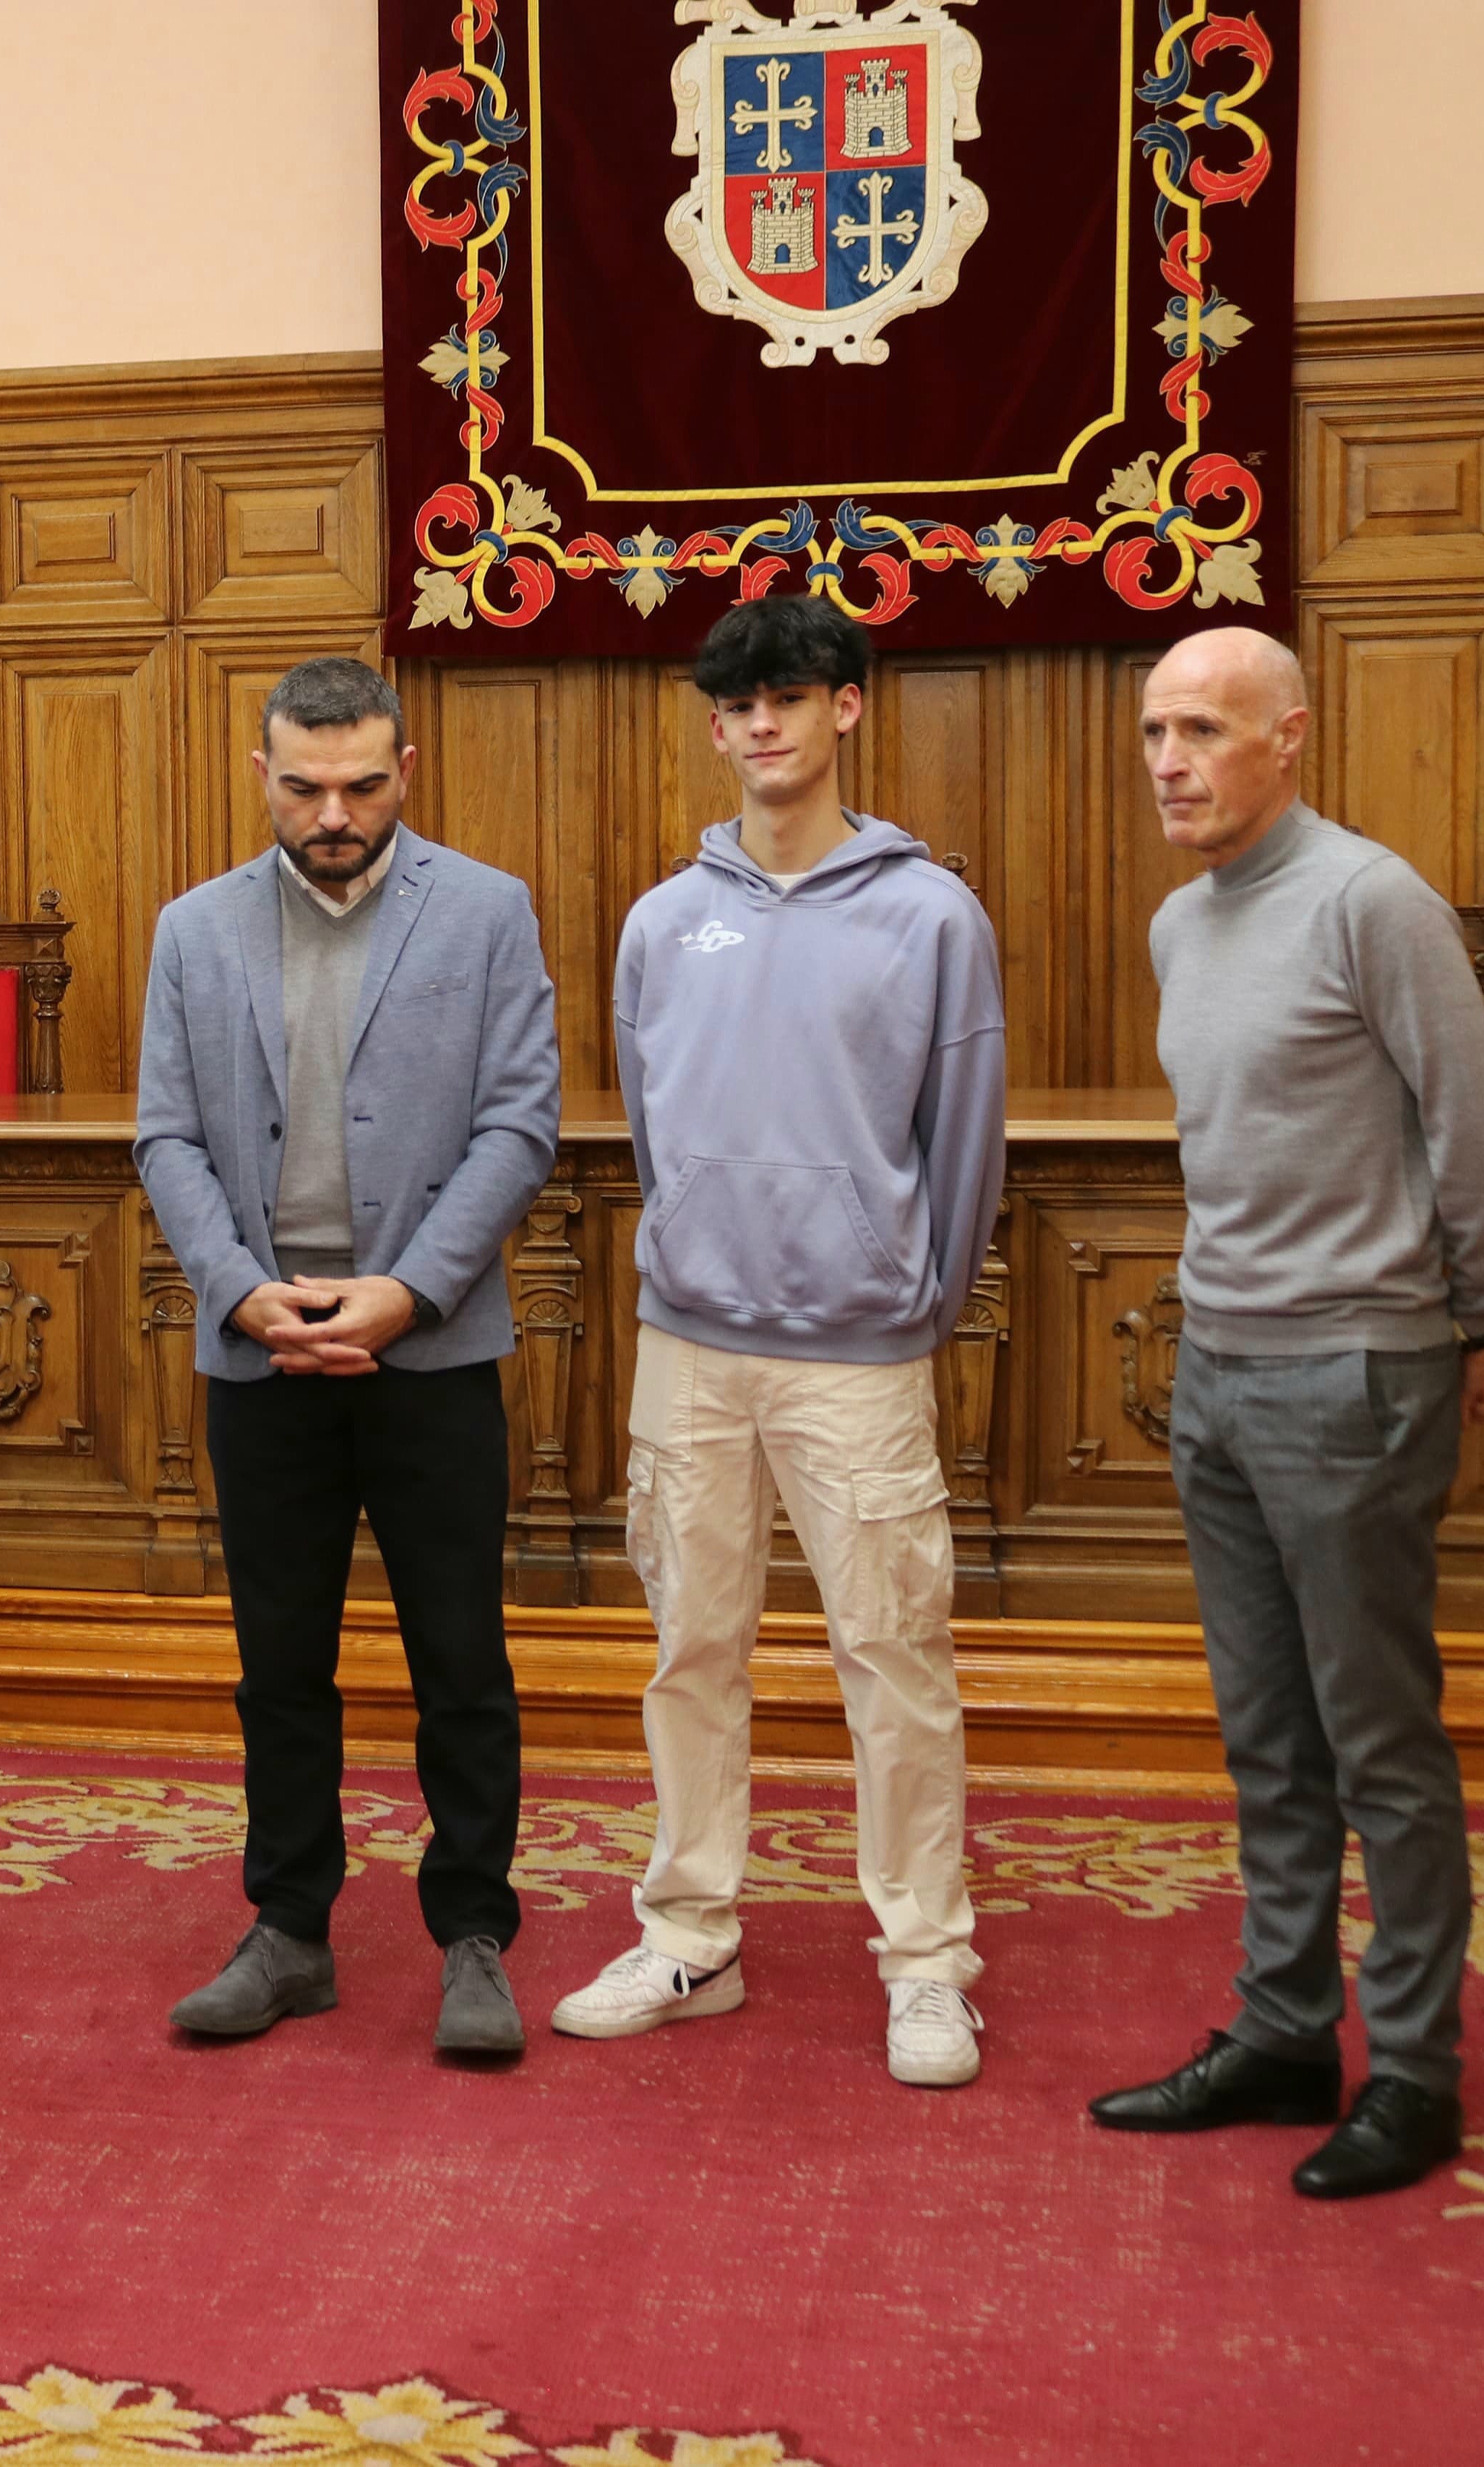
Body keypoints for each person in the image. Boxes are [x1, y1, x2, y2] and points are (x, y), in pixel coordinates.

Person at [1087, 628, 1484, 2198]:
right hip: (1215, 1367)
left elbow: (1482, 1144)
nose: (1169, 759)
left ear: (1290, 736)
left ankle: (1413, 2069)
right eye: (1153, 729)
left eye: (1203, 728)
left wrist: (1462, 1322)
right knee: (1268, 1737)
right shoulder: (1177, 922)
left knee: (1378, 1740)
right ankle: (1285, 2028)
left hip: (1353, 1374)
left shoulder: (1370, 900)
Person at [552, 593, 1006, 2087]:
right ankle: (690, 1929)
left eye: (788, 697)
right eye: (735, 702)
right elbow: (657, 1119)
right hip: (691, 1340)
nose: (758, 723)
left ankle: (926, 1958)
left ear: (846, 710)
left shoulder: (929, 913)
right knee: (690, 1644)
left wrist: (902, 1301)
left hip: (860, 1352)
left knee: (892, 1651)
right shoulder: (659, 919)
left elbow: (962, 1148)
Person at [133, 657, 560, 2058]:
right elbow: (167, 1137)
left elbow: (518, 1126)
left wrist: (406, 1291)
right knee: (277, 1662)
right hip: (259, 1348)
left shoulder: (487, 910)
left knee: (459, 1655)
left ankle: (474, 1933)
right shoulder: (191, 930)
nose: (333, 811)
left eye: (361, 784)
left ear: (406, 767)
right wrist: (244, 1291)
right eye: (305, 785)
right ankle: (290, 1930)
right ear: (261, 772)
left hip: (428, 1347)